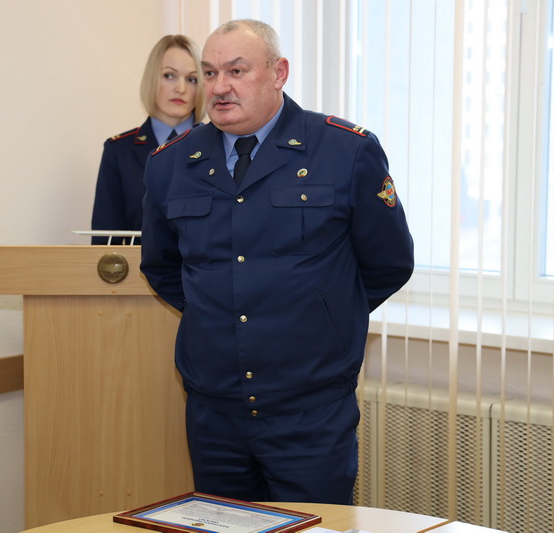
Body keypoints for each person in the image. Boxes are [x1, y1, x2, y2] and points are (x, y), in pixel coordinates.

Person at [140, 19, 414, 504]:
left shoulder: (345, 151)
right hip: (214, 412)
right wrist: (223, 310)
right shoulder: (171, 164)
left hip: (310, 410)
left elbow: (389, 262)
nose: (218, 87)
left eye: (236, 71)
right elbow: (162, 266)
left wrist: (322, 314)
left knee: (314, 527)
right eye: (210, 73)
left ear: (278, 73)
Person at [91, 34, 205, 244]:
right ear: (152, 79)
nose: (181, 88)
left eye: (192, 79)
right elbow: (106, 244)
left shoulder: (222, 146)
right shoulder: (119, 151)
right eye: (169, 75)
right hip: (139, 265)